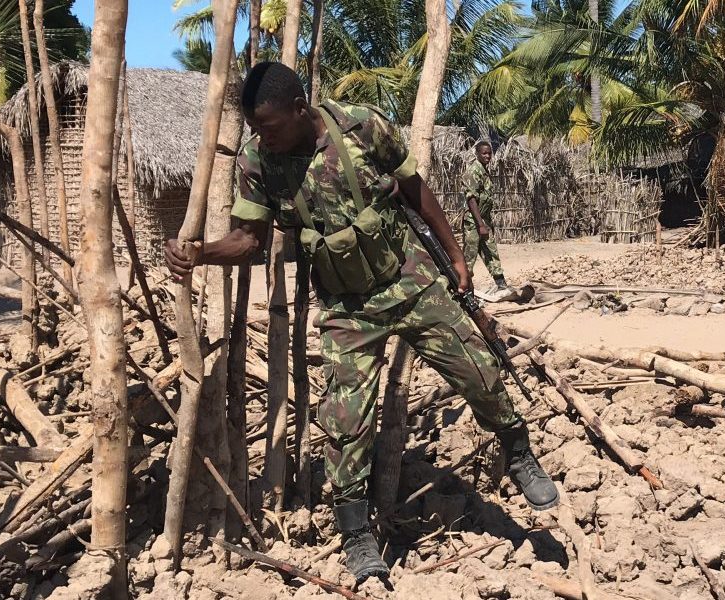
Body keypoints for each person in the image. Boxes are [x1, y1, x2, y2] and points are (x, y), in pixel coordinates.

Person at [164, 62, 558, 585]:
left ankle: (517, 450)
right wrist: (203, 252)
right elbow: (251, 241)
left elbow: (415, 188)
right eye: (258, 130)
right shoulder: (260, 161)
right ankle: (355, 534)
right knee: (347, 423)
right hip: (348, 308)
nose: (265, 138)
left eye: (273, 127)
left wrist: (456, 254)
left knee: (479, 371)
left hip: (409, 278)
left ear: (301, 109)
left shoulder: (361, 126)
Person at [461, 139, 510, 295]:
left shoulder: (484, 170)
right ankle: (463, 288)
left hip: (483, 220)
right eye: (484, 153)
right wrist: (480, 224)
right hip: (473, 222)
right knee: (470, 256)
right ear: (477, 154)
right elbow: (471, 199)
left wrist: (484, 223)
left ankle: (501, 285)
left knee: (491, 251)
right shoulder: (473, 171)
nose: (488, 156)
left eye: (489, 153)